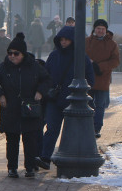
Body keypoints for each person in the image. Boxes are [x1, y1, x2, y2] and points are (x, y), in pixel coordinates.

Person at [0, 32, 50, 178]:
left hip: (29, 109)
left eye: (16, 53)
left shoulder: (33, 66)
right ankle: (12, 168)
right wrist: (0, 95)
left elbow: (46, 79)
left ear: (23, 54)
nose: (12, 56)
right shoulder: (4, 67)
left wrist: (40, 92)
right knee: (12, 141)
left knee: (30, 140)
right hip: (11, 109)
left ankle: (29, 167)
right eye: (10, 53)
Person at [39, 24, 95, 167]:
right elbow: (46, 75)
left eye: (67, 39)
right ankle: (44, 157)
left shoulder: (81, 57)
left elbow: (90, 78)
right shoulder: (54, 56)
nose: (63, 42)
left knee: (74, 132)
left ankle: (76, 158)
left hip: (74, 101)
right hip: (55, 99)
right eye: (61, 39)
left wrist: (82, 92)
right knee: (52, 129)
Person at [86, 18, 120, 138]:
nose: (100, 31)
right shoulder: (86, 42)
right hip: (87, 80)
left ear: (106, 30)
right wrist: (89, 65)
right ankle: (87, 127)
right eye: (98, 28)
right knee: (87, 105)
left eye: (103, 29)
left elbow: (115, 61)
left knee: (100, 105)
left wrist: (99, 66)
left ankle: (96, 128)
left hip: (102, 79)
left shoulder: (112, 44)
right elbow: (80, 56)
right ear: (94, 29)